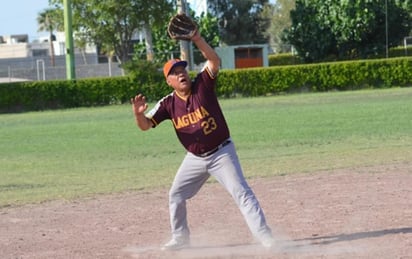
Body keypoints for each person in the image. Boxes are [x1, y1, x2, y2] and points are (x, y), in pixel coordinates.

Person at [131, 28, 274, 251]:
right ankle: (180, 238)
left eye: (182, 69)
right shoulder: (168, 103)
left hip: (221, 153)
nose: (181, 74)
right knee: (176, 194)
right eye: (175, 72)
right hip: (195, 158)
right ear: (169, 81)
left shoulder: (202, 85)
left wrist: (196, 38)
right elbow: (146, 126)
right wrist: (139, 115)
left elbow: (214, 60)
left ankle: (266, 238)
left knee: (242, 192)